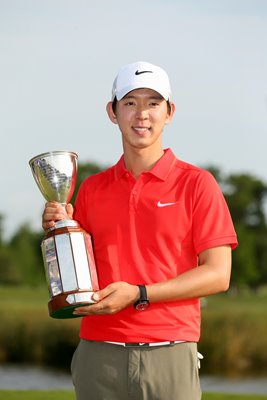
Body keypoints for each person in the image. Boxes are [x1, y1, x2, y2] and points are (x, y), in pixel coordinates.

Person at [42, 61, 238, 400]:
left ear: (169, 112)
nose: (142, 114)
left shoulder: (197, 184)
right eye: (130, 103)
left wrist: (139, 293)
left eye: (153, 103)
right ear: (112, 112)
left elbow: (218, 275)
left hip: (170, 351)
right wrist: (58, 229)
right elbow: (77, 276)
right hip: (98, 353)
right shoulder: (90, 188)